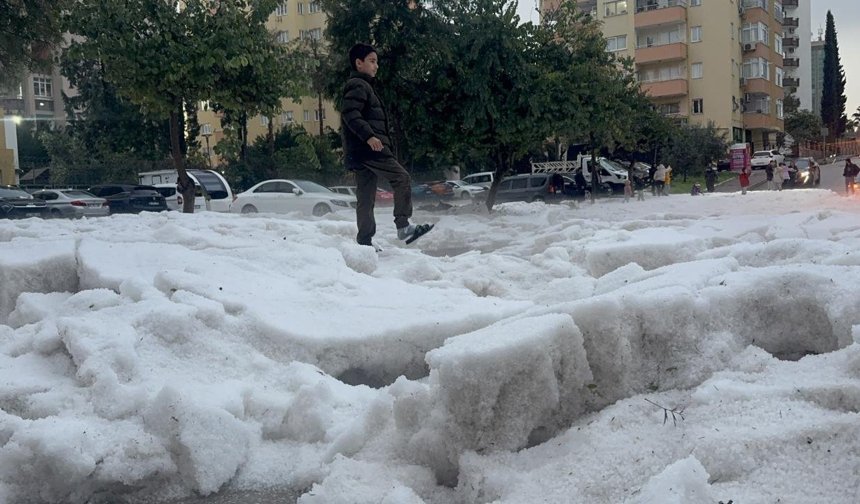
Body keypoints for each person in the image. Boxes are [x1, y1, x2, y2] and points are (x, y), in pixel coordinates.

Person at [340, 43, 431, 247]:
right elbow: (350, 114)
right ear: (359, 63)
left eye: (377, 62)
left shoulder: (364, 86)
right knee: (401, 178)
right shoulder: (359, 85)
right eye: (372, 61)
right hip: (370, 149)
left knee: (365, 197)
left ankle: (364, 242)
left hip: (360, 153)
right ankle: (403, 226)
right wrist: (370, 137)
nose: (376, 66)